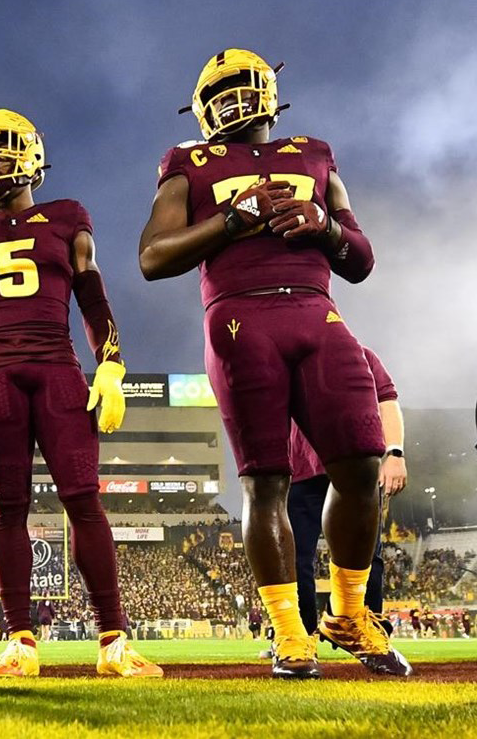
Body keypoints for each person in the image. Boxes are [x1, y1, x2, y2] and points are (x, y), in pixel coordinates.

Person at [139, 48, 408, 678]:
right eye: (221, 90)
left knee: (362, 466)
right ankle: (291, 632)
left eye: (241, 86)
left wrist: (326, 227)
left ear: (267, 92)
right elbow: (154, 256)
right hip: (239, 317)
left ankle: (347, 613)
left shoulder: (314, 155)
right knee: (266, 483)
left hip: (317, 310)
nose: (232, 100)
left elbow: (361, 260)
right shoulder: (187, 164)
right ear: (202, 108)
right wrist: (233, 221)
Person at [0, 109, 160, 679]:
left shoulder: (66, 217)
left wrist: (111, 365)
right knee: (8, 507)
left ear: (32, 156)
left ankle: (112, 641)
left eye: (3, 151)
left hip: (58, 368)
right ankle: (20, 643)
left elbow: (94, 298)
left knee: (83, 499)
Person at [289, 347, 405, 635]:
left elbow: (386, 400)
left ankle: (368, 631)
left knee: (367, 554)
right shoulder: (284, 360)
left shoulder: (359, 354)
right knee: (293, 558)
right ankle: (298, 635)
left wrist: (395, 452)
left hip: (356, 467)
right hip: (301, 471)